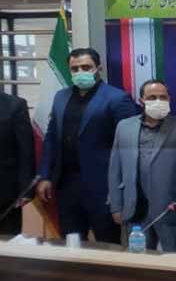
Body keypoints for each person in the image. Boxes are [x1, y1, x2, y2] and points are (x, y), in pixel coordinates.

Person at [36, 48, 139, 243]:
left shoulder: (117, 98)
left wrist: (124, 188)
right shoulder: (61, 97)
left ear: (98, 68)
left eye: (86, 67)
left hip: (103, 187)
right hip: (66, 185)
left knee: (107, 245)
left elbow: (129, 146)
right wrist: (45, 175)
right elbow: (51, 139)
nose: (80, 72)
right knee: (71, 243)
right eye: (74, 69)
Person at [108, 80, 176, 253]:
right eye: (152, 97)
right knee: (139, 262)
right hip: (135, 211)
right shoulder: (124, 127)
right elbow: (115, 170)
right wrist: (116, 205)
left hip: (172, 211)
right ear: (141, 100)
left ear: (169, 99)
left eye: (162, 97)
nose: (158, 101)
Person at [0, 92, 35, 235]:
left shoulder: (15, 105)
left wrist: (26, 190)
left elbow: (25, 151)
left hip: (6, 194)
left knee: (7, 242)